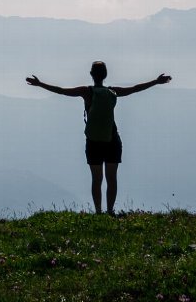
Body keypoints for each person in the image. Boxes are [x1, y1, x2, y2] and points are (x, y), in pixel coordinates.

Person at [25, 61, 171, 215]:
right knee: (111, 178)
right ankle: (110, 211)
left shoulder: (86, 92)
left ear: (91, 74)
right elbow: (135, 89)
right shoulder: (112, 91)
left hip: (93, 142)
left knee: (96, 179)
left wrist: (40, 84)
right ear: (105, 75)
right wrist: (156, 81)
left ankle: (98, 212)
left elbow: (61, 91)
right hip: (112, 139)